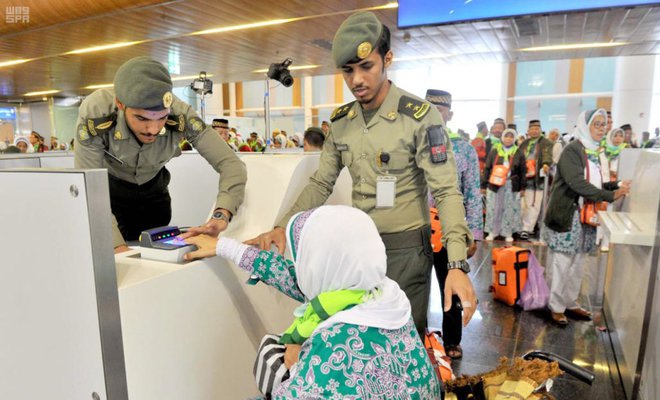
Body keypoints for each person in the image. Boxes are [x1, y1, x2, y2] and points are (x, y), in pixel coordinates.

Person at [245, 11, 477, 336]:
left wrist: (456, 265)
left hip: (407, 252)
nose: (357, 80)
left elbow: (447, 191)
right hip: (359, 249)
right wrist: (282, 226)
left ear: (388, 59)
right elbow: (321, 182)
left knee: (403, 340)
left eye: (366, 67)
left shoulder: (420, 118)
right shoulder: (342, 122)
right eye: (348, 70)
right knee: (363, 337)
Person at [184, 206, 441, 398]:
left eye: (306, 257)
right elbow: (296, 279)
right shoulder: (382, 294)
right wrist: (226, 248)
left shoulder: (333, 346)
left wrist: (297, 361)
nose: (302, 265)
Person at [74, 56, 247, 253]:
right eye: (141, 118)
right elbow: (89, 186)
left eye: (162, 118)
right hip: (108, 195)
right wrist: (116, 247)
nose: (153, 129)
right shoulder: (97, 112)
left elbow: (232, 164)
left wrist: (221, 214)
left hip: (154, 194)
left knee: (157, 257)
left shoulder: (181, 114)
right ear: (121, 104)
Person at [543, 109, 630, 326]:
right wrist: (611, 196)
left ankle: (570, 303)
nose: (602, 128)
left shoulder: (596, 152)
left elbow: (596, 184)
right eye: (596, 124)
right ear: (585, 125)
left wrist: (617, 185)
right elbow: (577, 183)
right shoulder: (573, 150)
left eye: (604, 124)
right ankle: (556, 307)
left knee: (579, 262)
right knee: (563, 262)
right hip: (569, 216)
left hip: (587, 217)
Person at [425, 89, 482, 359]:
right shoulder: (412, 141)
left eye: (441, 108)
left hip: (449, 231)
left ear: (450, 113)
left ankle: (452, 341)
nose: (436, 113)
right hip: (416, 229)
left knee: (452, 284)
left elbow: (472, 191)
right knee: (413, 287)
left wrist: (475, 234)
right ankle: (413, 334)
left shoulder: (463, 148)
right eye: (430, 107)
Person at [482, 128, 526, 242]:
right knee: (493, 208)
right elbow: (487, 168)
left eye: (511, 136)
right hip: (495, 184)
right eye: (506, 136)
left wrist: (522, 188)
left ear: (514, 139)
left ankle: (508, 233)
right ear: (502, 138)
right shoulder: (495, 151)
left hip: (511, 184)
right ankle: (492, 232)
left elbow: (523, 171)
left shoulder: (518, 152)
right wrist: (483, 185)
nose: (508, 139)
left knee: (509, 209)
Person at [517, 120, 553, 240]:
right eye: (532, 129)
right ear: (528, 130)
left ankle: (527, 228)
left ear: (540, 129)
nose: (534, 131)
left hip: (538, 179)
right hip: (523, 178)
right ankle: (520, 226)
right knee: (522, 205)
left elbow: (548, 155)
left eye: (537, 128)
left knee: (534, 205)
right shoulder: (524, 143)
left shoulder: (546, 143)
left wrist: (546, 164)